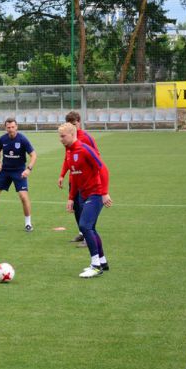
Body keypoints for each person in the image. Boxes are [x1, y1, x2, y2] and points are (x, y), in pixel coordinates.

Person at [57, 122, 112, 278]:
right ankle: (102, 261)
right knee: (91, 228)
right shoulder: (68, 151)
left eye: (62, 136)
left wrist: (104, 193)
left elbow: (103, 169)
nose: (60, 139)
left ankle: (95, 266)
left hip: (96, 193)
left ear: (72, 134)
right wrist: (71, 198)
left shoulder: (85, 149)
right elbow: (74, 175)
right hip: (82, 195)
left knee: (84, 225)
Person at [0, 118, 37, 231]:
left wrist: (28, 169)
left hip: (19, 171)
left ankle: (28, 223)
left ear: (16, 127)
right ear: (5, 128)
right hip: (4, 171)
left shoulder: (23, 139)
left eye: (13, 127)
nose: (11, 130)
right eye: (8, 127)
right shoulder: (2, 139)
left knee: (23, 197)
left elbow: (33, 155)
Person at [58, 111, 105, 245]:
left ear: (79, 122)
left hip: (88, 181)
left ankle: (89, 234)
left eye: (75, 124)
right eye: (70, 124)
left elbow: (97, 159)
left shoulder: (87, 138)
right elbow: (67, 159)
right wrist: (62, 175)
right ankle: (82, 233)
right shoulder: (67, 140)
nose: (74, 126)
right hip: (75, 179)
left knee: (87, 207)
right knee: (77, 207)